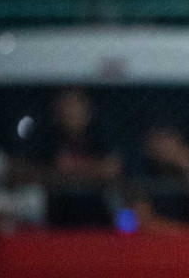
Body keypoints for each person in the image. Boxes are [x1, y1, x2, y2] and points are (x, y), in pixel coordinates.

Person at [23, 88, 122, 229]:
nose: (70, 112)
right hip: (57, 212)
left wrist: (75, 168)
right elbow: (32, 172)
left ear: (87, 110)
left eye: (75, 106)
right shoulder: (48, 138)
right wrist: (59, 173)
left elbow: (111, 169)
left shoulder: (101, 132)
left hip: (98, 211)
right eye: (65, 106)